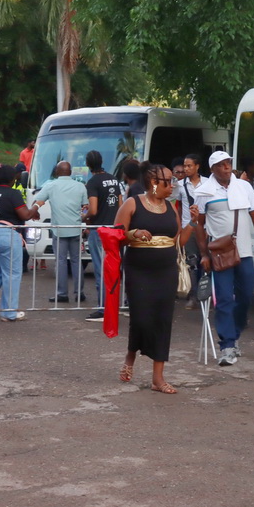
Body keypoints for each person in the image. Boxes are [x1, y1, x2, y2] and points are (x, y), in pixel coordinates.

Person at [113, 162, 191, 393]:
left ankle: (158, 379)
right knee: (141, 318)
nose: (173, 185)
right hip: (139, 270)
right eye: (168, 181)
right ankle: (131, 354)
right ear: (154, 183)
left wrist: (195, 222)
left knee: (163, 320)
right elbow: (114, 235)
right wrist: (133, 233)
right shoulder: (132, 203)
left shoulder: (171, 207)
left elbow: (178, 240)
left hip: (166, 271)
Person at [194, 150, 254, 366]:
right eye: (221, 164)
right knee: (224, 298)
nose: (226, 167)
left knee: (246, 295)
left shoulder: (244, 187)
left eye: (228, 163)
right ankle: (227, 345)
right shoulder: (204, 191)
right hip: (220, 252)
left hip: (244, 251)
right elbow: (199, 224)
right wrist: (204, 254)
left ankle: (235, 334)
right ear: (212, 169)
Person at [0, 163, 39, 321]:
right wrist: (36, 206)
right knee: (12, 274)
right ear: (11, 179)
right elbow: (25, 215)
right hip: (7, 235)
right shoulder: (13, 193)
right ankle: (9, 312)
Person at [31, 161, 89, 304]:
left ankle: (62, 294)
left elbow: (38, 201)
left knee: (61, 261)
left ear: (57, 172)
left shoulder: (51, 186)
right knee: (76, 261)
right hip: (75, 229)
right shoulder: (80, 186)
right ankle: (79, 293)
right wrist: (81, 218)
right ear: (70, 172)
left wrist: (34, 211)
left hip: (59, 230)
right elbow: (86, 207)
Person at [83, 150, 123, 321]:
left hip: (99, 231)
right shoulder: (113, 179)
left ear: (88, 164)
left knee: (100, 270)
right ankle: (113, 306)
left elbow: (93, 210)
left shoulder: (92, 182)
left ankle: (103, 309)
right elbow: (120, 204)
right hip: (114, 229)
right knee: (113, 269)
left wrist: (83, 217)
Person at [175, 153, 207, 309]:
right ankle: (193, 296)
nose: (186, 169)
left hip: (206, 227)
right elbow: (179, 206)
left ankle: (207, 295)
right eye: (185, 166)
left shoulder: (207, 183)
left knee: (206, 261)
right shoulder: (180, 185)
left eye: (189, 166)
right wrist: (180, 226)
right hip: (189, 227)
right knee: (191, 262)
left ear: (197, 166)